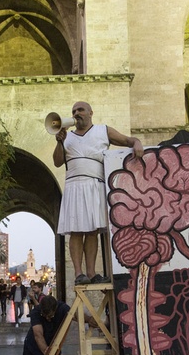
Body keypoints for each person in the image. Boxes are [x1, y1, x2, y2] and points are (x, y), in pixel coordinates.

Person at [53, 101, 143, 286]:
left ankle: (92, 273)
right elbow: (57, 162)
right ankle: (79, 273)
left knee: (92, 231)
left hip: (95, 184)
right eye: (74, 111)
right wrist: (59, 142)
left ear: (90, 113)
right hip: (75, 185)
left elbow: (127, 140)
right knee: (77, 231)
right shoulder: (66, 137)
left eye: (81, 110)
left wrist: (137, 141)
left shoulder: (103, 130)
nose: (77, 113)